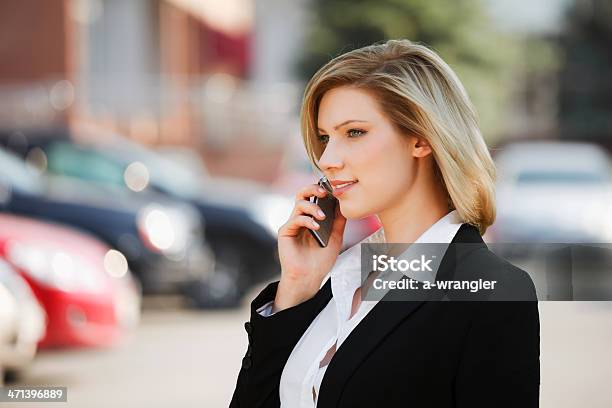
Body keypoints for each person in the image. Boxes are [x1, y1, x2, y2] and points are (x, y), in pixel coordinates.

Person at [229, 39, 540, 408]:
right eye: (326, 137)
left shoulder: (492, 293)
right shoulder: (336, 281)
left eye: (354, 132)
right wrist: (296, 289)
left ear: (422, 138)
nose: (327, 158)